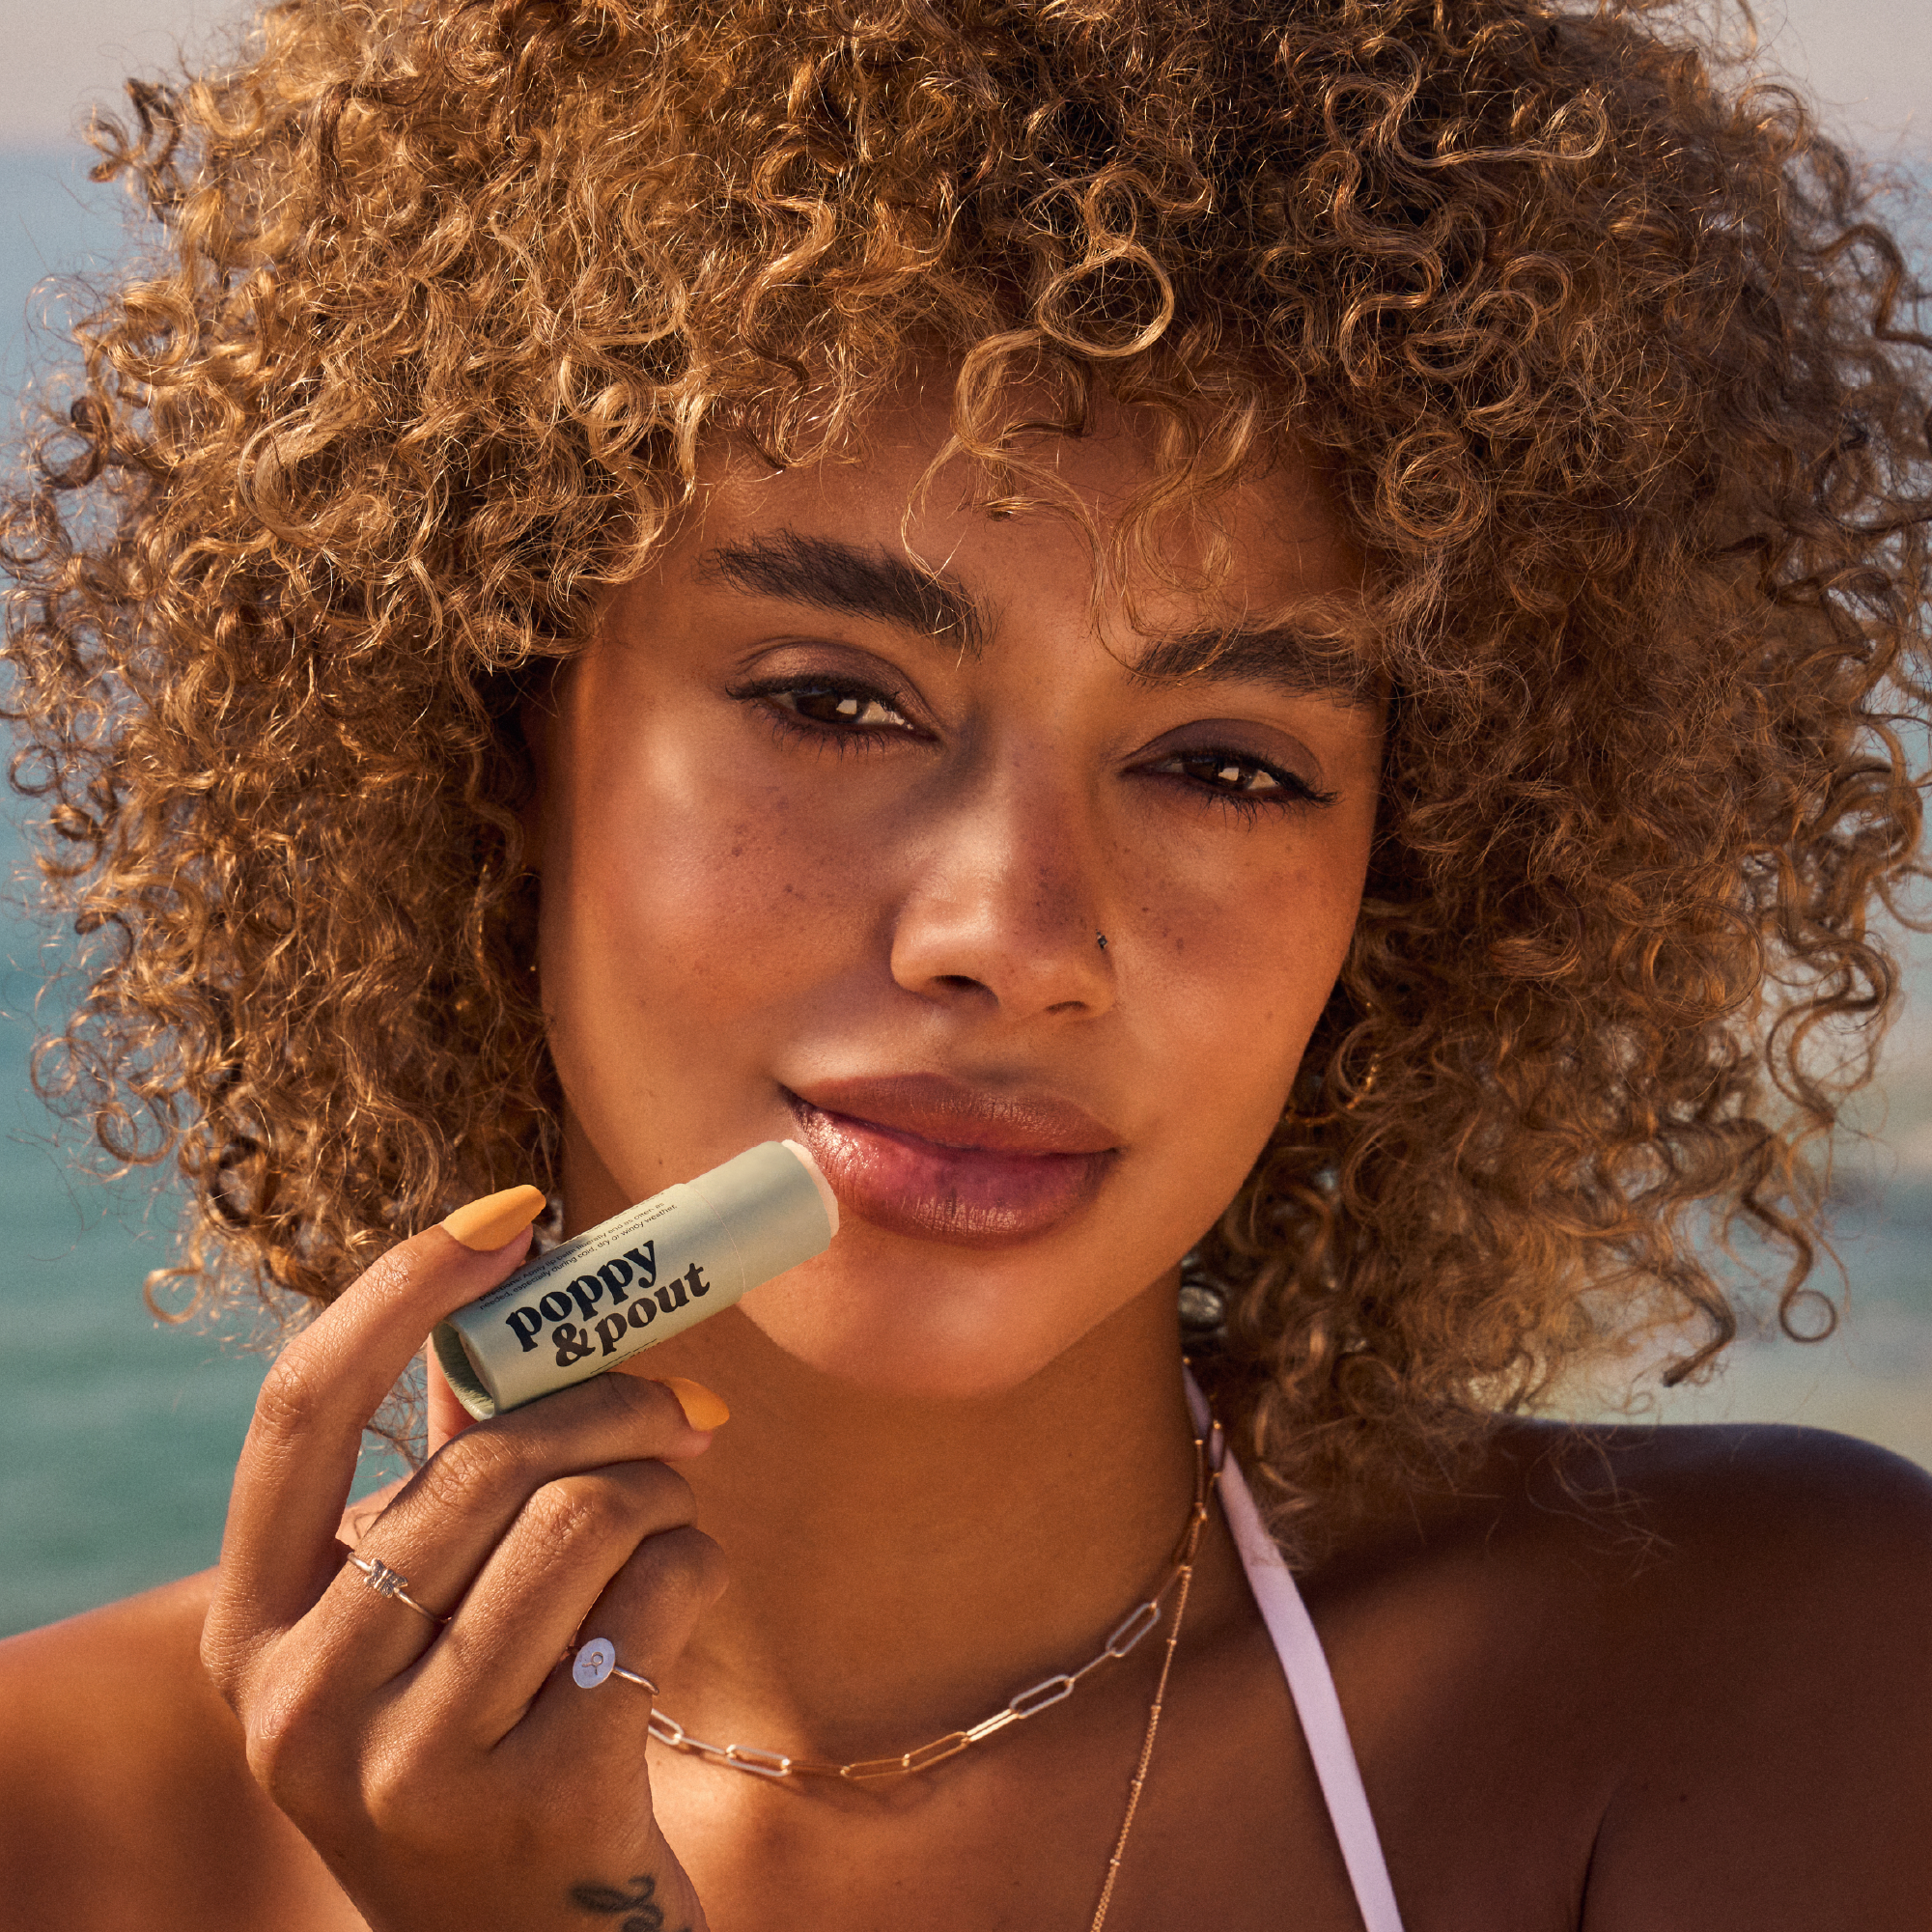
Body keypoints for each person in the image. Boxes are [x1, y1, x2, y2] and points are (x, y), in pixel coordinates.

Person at [1, 0, 1928, 1924]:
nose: (1011, 936)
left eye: (1226, 765)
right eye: (835, 701)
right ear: (490, 740)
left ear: (1413, 879)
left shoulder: (1780, 1676)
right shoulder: (59, 1834)